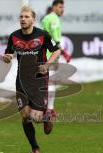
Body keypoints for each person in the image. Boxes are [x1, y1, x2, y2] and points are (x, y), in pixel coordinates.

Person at [3, 5, 60, 153]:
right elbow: (8, 54)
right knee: (24, 115)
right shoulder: (14, 36)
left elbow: (56, 50)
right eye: (21, 17)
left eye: (27, 17)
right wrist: (6, 58)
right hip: (21, 80)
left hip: (39, 80)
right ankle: (35, 148)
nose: (23, 19)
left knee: (35, 118)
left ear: (33, 19)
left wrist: (47, 65)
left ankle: (46, 117)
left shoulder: (43, 35)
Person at [41, 0, 70, 134]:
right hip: (50, 54)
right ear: (54, 7)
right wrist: (63, 52)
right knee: (50, 82)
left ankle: (48, 109)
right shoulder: (53, 19)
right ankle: (47, 109)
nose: (62, 9)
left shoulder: (47, 18)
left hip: (46, 53)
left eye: (63, 7)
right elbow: (54, 38)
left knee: (48, 82)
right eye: (60, 6)